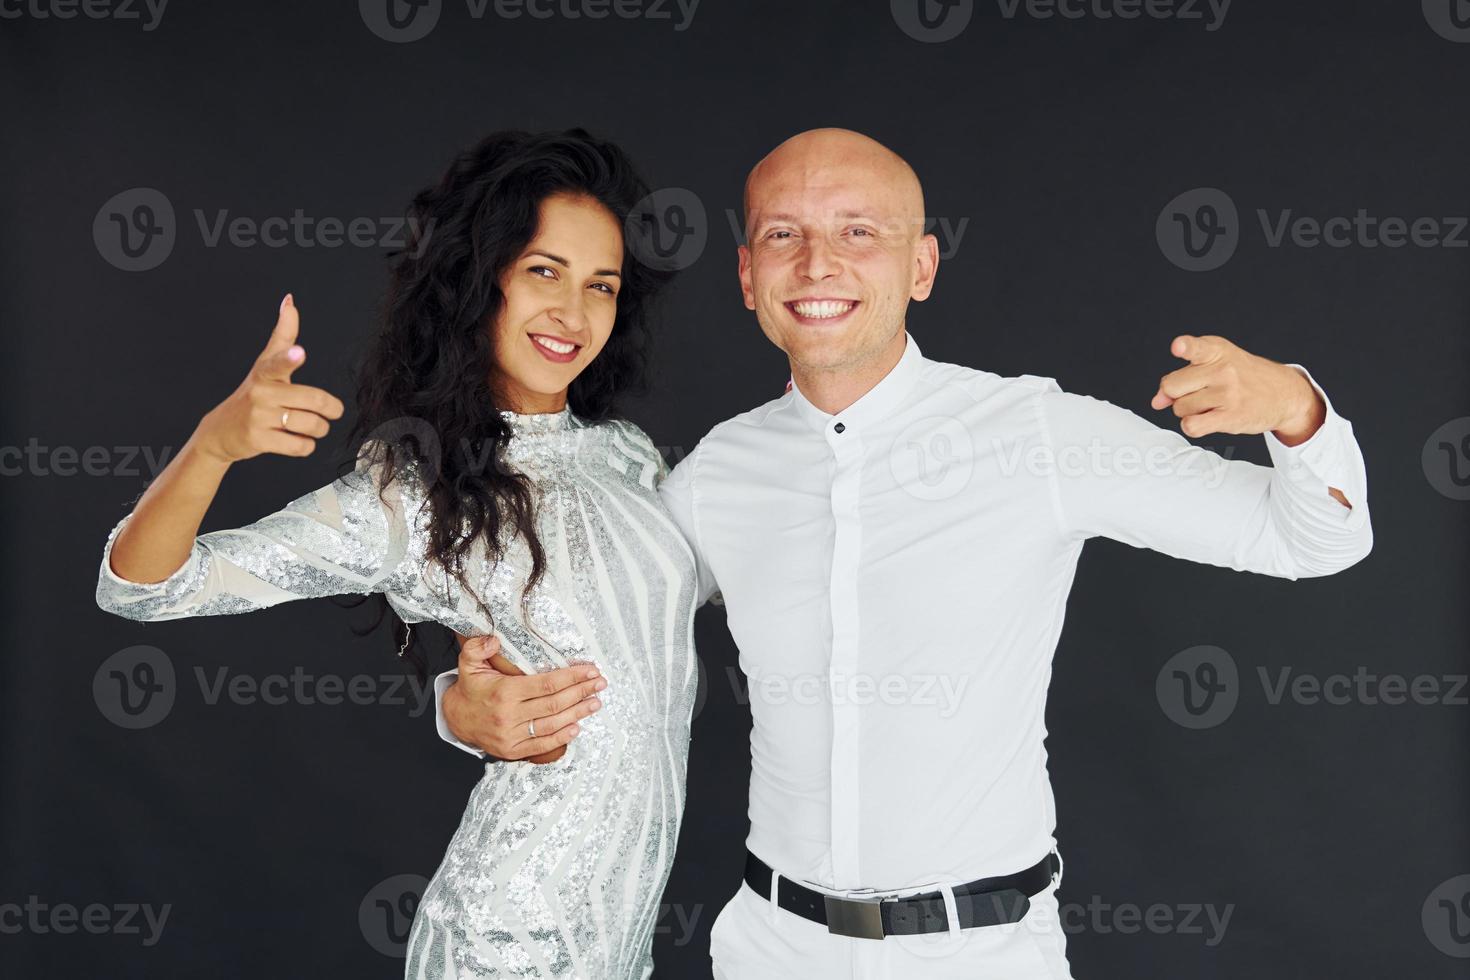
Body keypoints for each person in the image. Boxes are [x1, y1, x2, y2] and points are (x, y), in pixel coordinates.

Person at [438, 128, 1373, 978]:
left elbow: (1313, 539)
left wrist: (1297, 409)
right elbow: (579, 617)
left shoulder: (1039, 434)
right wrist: (457, 702)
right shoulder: (717, 474)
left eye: (859, 233)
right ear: (746, 275)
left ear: (921, 265)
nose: (817, 264)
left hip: (982, 955)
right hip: (770, 948)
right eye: (782, 236)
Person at [95, 129, 701, 979]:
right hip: (504, 943)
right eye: (543, 271)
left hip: (624, 942)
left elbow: (701, 600)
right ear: (477, 278)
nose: (574, 312)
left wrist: (456, 698)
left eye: (600, 284)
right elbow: (143, 590)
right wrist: (212, 447)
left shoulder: (629, 457)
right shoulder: (413, 493)